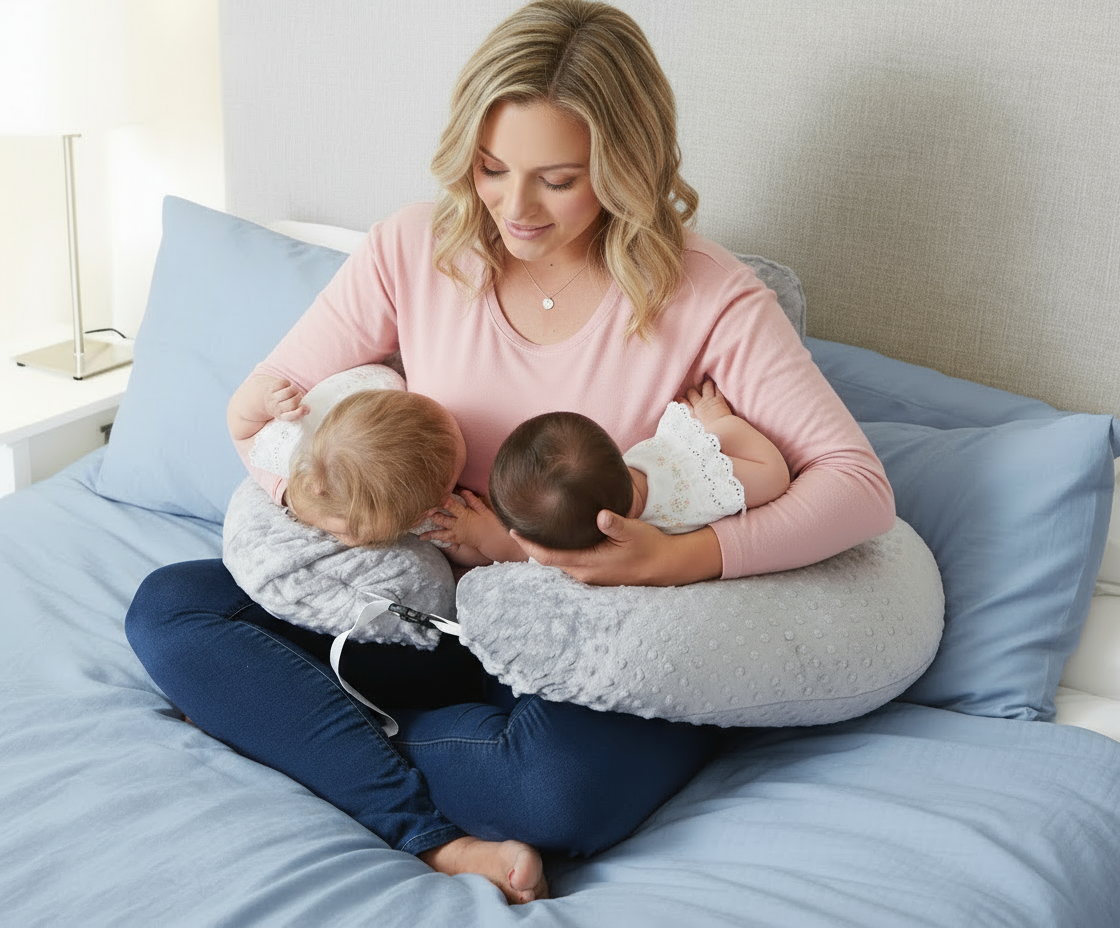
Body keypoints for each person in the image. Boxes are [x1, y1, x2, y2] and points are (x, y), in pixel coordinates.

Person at [125, 0, 894, 906]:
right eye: (493, 168)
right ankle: (429, 830)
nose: (514, 208)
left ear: (627, 167)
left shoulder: (711, 296)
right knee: (170, 610)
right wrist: (323, 505)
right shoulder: (414, 250)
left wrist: (677, 558)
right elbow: (267, 416)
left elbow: (858, 488)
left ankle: (292, 720)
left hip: (586, 630)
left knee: (556, 792)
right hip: (427, 614)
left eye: (558, 180)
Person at [433, 379, 791, 564]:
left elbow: (510, 553)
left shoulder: (577, 548)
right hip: (680, 462)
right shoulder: (695, 478)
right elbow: (773, 472)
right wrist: (720, 423)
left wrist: (468, 538)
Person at [228, 365, 467, 548]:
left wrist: (478, 535)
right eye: (447, 490)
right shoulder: (292, 448)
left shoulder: (407, 513)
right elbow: (239, 425)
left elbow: (459, 544)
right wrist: (264, 399)